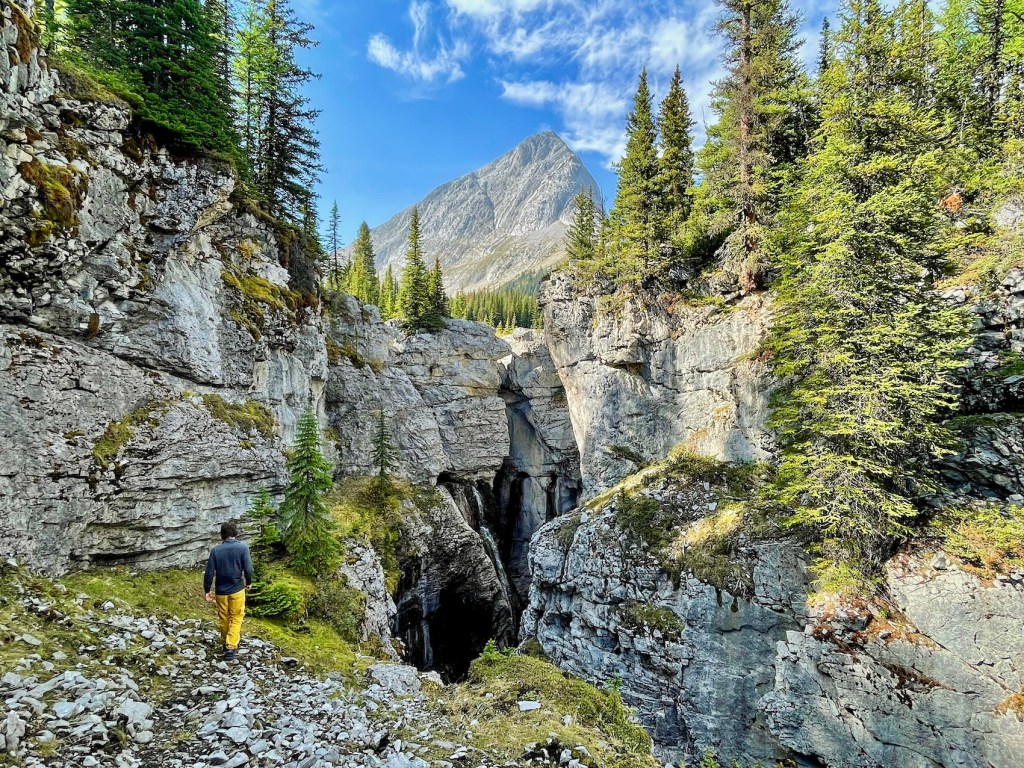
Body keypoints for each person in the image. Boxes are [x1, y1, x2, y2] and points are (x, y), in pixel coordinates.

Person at [203, 521, 254, 661]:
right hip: (237, 589)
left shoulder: (216, 551)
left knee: (224, 617)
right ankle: (231, 646)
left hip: (220, 591)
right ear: (235, 533)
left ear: (222, 535)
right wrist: (248, 582)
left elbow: (209, 573)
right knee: (236, 617)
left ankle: (227, 642)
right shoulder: (243, 548)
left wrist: (207, 590)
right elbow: (248, 569)